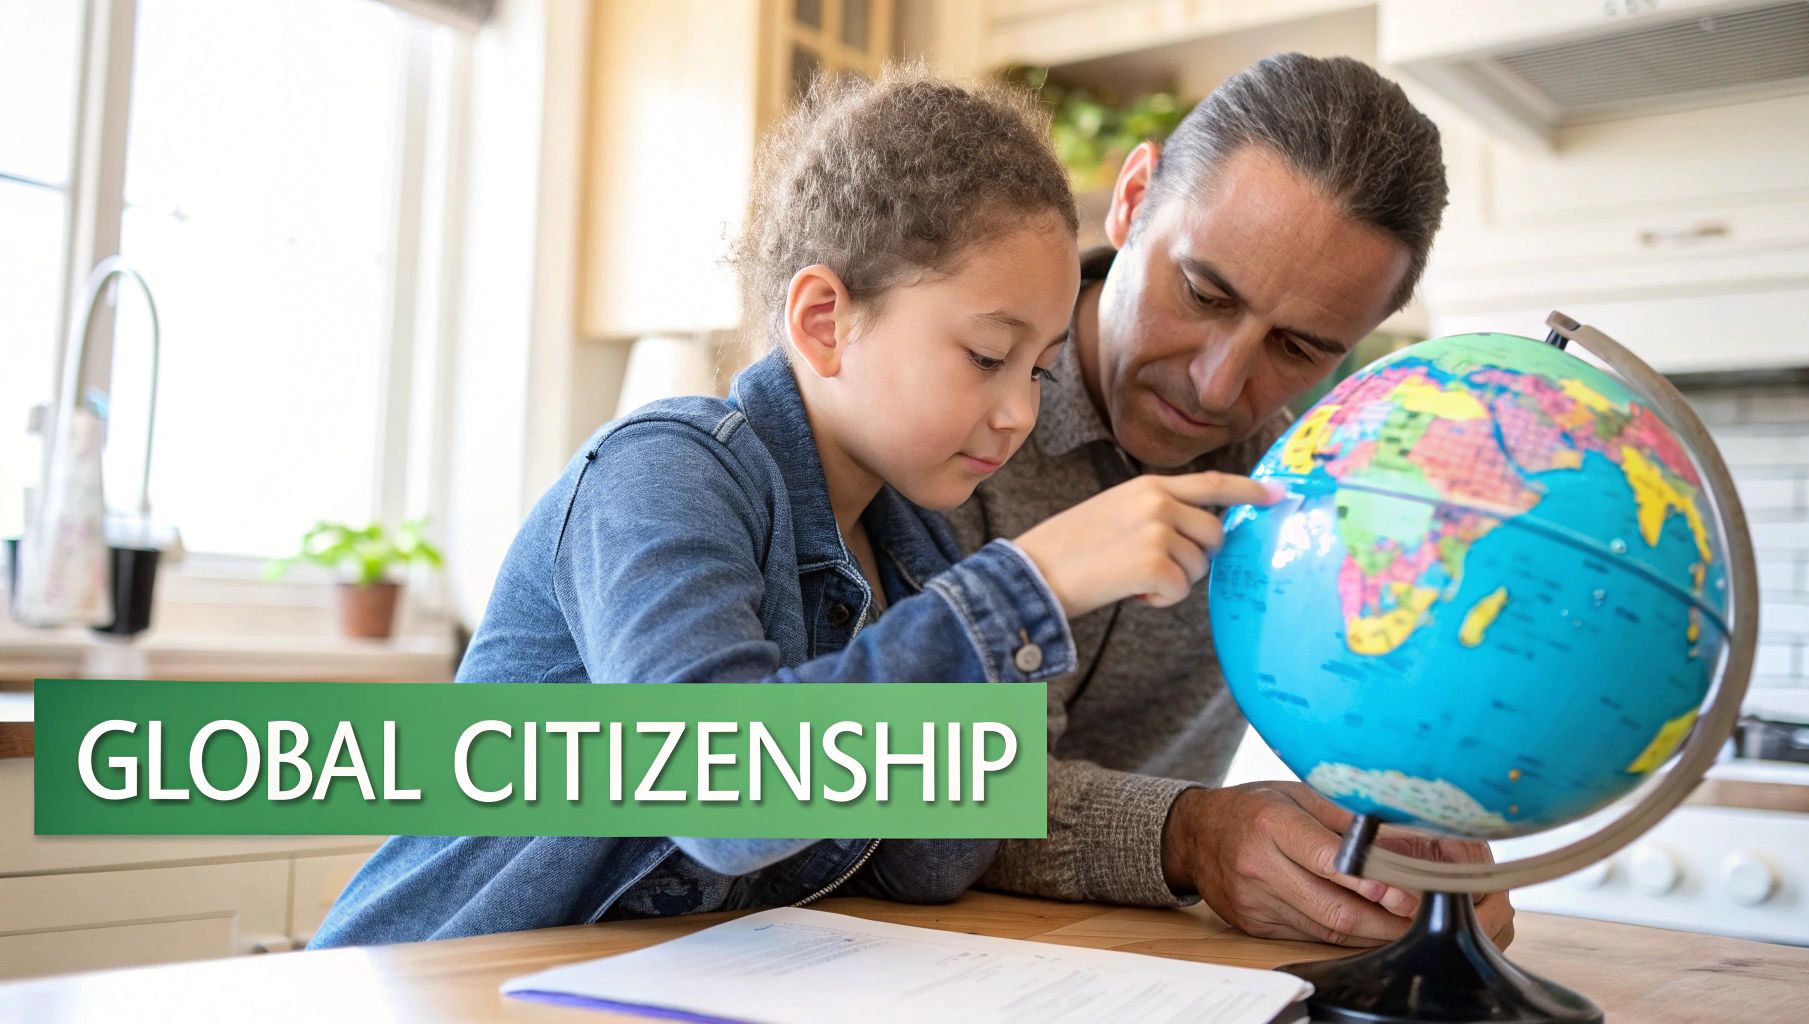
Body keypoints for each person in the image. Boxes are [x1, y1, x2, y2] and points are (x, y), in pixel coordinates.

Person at [309, 66, 1281, 948]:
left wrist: (992, 646)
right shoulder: (664, 473)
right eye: (987, 356)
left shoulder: (913, 551)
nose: (1020, 413)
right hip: (426, 977)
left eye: (1037, 369)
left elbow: (932, 861)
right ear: (824, 322)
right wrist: (1028, 586)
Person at [948, 53, 1518, 948]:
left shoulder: (1316, 495)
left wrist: (1395, 836)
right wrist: (1188, 836)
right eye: (1204, 294)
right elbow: (887, 773)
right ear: (1132, 198)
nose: (1218, 387)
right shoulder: (938, 401)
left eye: (1299, 348)